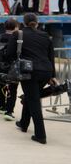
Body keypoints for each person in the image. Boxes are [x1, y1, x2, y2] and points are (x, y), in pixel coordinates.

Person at [5, 13, 56, 144]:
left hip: (29, 72)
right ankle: (23, 123)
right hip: (46, 71)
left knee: (33, 100)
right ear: (37, 22)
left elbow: (9, 53)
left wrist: (15, 66)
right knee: (30, 96)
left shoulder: (18, 34)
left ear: (24, 22)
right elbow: (51, 57)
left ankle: (41, 135)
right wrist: (52, 76)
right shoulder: (45, 36)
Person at [0, 18, 19, 121]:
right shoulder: (16, 38)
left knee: (1, 85)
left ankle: (2, 107)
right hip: (11, 66)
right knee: (13, 88)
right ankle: (9, 111)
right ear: (15, 27)